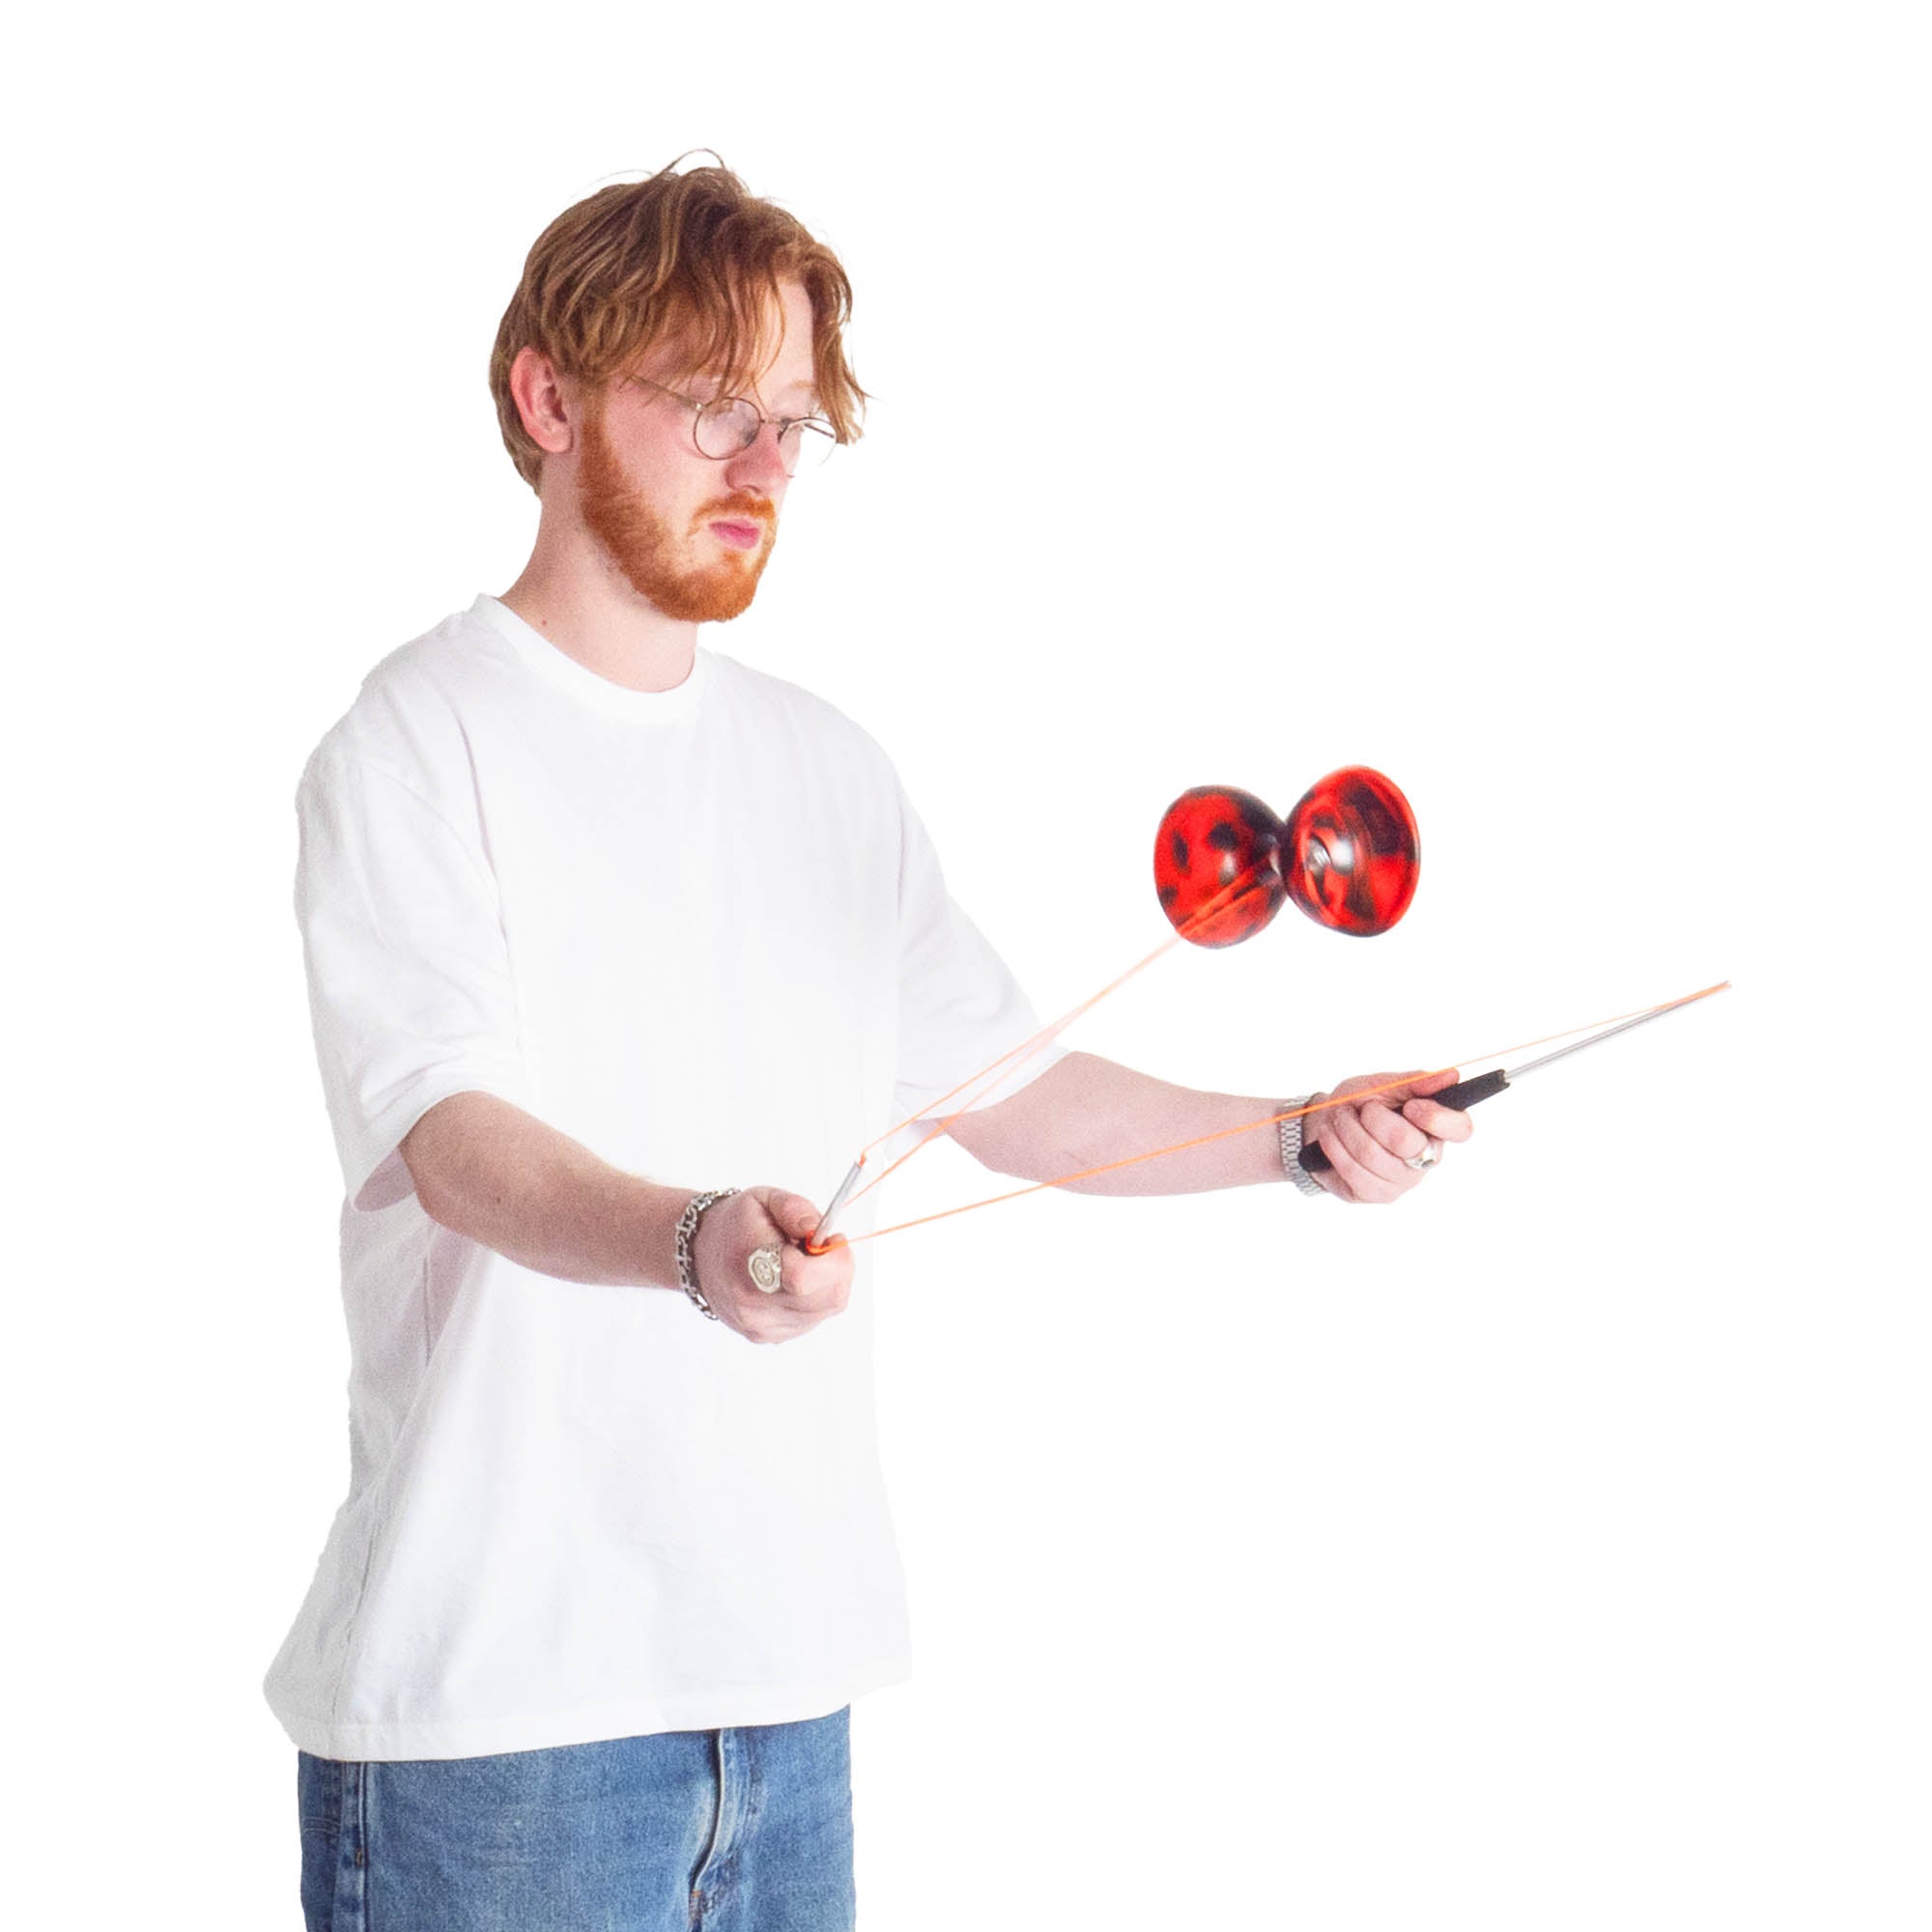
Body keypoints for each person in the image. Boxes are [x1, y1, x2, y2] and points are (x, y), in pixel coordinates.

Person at [267, 157, 1474, 1932]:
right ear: (547, 397)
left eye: (789, 425)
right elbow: (456, 1142)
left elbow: (1015, 1090)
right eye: (709, 411)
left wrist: (1299, 1134)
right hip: (494, 1730)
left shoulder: (825, 768)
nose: (762, 469)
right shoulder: (410, 744)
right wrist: (698, 1240)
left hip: (783, 1694)